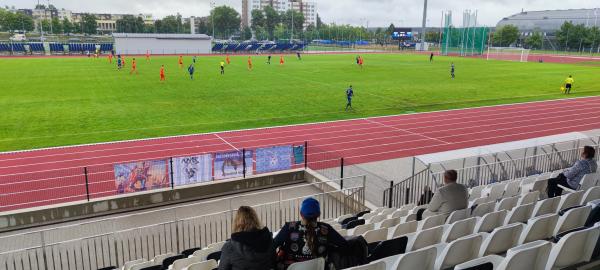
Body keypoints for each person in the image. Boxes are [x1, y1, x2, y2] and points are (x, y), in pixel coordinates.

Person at [274, 198, 347, 269]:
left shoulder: (289, 227)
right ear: (319, 214)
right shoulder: (326, 229)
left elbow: (272, 246)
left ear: (301, 214)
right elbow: (344, 244)